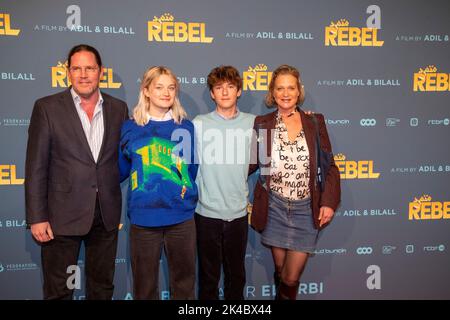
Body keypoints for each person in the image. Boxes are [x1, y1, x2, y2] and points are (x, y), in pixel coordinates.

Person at [25, 44, 129, 300]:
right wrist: (37, 217)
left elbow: (119, 161)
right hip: (61, 216)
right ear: (68, 72)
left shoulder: (119, 109)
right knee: (59, 290)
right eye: (77, 68)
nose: (83, 74)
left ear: (100, 72)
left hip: (105, 215)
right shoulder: (47, 107)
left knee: (102, 287)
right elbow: (36, 166)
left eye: (90, 68)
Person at [249, 64, 340, 300]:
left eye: (291, 88)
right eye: (280, 88)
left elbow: (329, 165)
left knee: (291, 277)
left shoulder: (315, 123)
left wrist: (328, 202)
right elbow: (251, 163)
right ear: (273, 92)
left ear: (299, 91)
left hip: (305, 208)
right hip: (274, 206)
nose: (286, 93)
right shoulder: (263, 123)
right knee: (280, 271)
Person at [118, 66, 198, 300]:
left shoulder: (185, 127)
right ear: (146, 91)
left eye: (171, 87)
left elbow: (192, 169)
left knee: (184, 287)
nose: (166, 93)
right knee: (144, 288)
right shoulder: (130, 127)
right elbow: (122, 170)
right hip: (144, 219)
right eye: (159, 87)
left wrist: (179, 194)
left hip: (181, 218)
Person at [193, 66, 255, 300]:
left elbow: (264, 160)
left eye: (230, 87)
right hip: (206, 214)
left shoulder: (253, 123)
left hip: (238, 214)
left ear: (239, 91)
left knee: (236, 277)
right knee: (208, 279)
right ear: (212, 94)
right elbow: (186, 164)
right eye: (219, 88)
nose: (225, 92)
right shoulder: (198, 123)